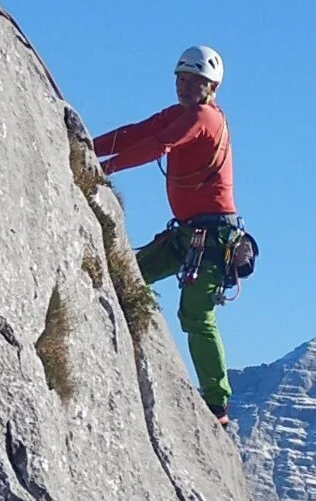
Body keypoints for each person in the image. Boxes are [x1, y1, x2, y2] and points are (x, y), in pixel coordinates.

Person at [94, 46, 238, 427]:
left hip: (211, 238)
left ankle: (217, 404)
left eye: (194, 81)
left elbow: (160, 144)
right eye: (181, 79)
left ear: (211, 88)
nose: (184, 86)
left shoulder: (204, 118)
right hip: (189, 234)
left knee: (196, 314)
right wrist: (90, 148)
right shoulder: (181, 114)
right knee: (128, 275)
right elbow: (137, 132)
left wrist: (106, 168)